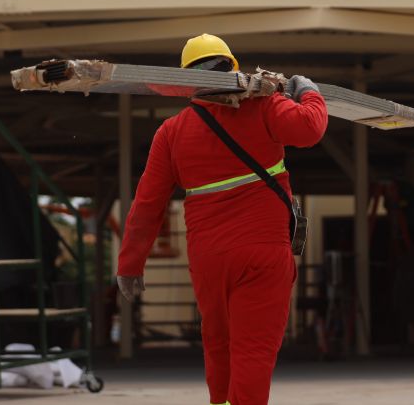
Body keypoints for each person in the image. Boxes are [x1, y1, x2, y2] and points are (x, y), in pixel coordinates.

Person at [117, 33, 328, 405]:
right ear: (232, 67)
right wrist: (308, 92)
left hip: (208, 260)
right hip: (262, 254)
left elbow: (147, 205)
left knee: (219, 347)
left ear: (185, 82)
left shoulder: (171, 132)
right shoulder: (264, 106)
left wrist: (130, 265)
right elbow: (310, 128)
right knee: (253, 352)